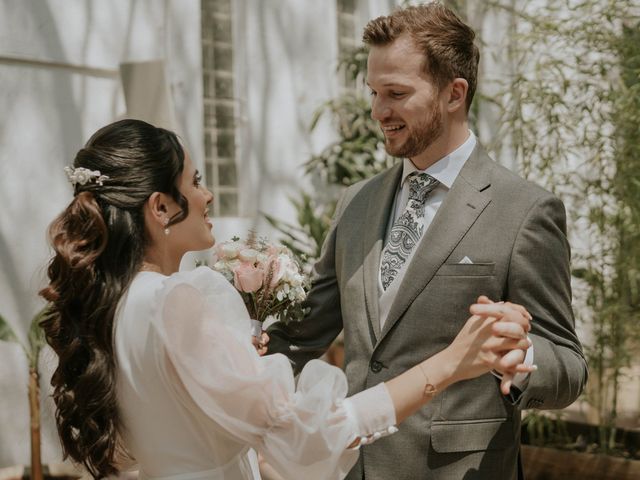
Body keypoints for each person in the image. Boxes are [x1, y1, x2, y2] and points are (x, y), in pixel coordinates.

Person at [39, 119, 533, 480]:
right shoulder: (178, 302)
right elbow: (309, 434)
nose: (207, 196)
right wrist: (449, 364)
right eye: (195, 181)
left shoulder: (106, 306)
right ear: (161, 207)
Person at [267, 3, 588, 480]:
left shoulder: (525, 210)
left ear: (454, 93)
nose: (379, 111)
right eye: (374, 92)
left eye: (396, 93)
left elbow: (568, 364)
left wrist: (521, 358)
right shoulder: (355, 203)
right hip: (355, 466)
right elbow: (300, 337)